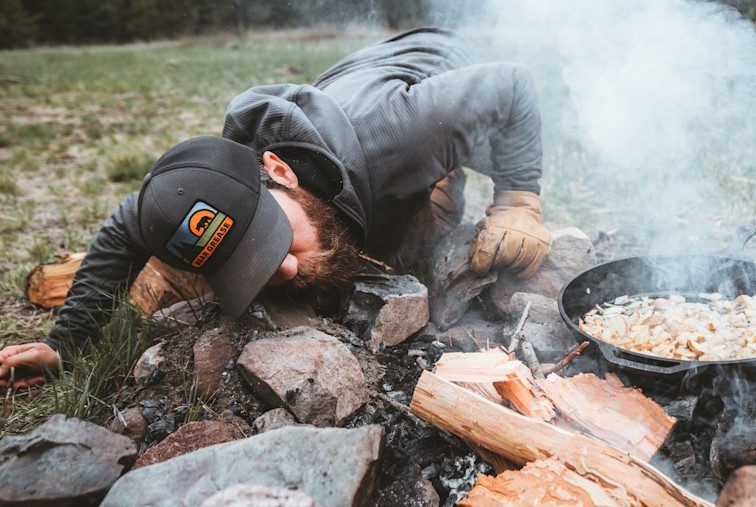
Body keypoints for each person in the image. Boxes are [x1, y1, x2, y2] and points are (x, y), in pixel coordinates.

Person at [0, 27, 552, 390]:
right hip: (347, 91)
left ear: (281, 172)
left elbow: (513, 86)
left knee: (418, 238)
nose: (284, 269)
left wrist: (518, 199)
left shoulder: (402, 137)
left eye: (276, 241)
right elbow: (126, 226)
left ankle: (441, 187)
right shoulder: (209, 189)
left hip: (433, 70)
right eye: (252, 259)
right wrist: (61, 346)